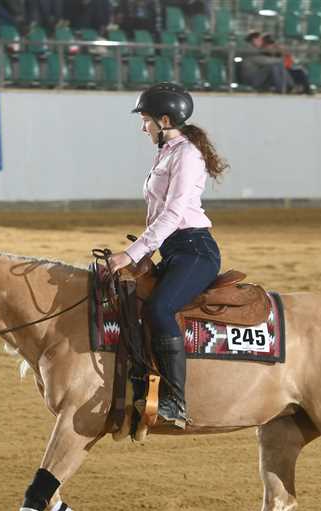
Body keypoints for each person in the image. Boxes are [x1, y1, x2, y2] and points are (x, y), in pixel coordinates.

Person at [107, 83, 228, 429]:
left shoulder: (187, 154)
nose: (142, 127)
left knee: (160, 308)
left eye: (145, 120)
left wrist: (132, 254)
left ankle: (175, 402)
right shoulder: (168, 151)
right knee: (137, 303)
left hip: (195, 251)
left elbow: (173, 213)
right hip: (176, 250)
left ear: (164, 120)